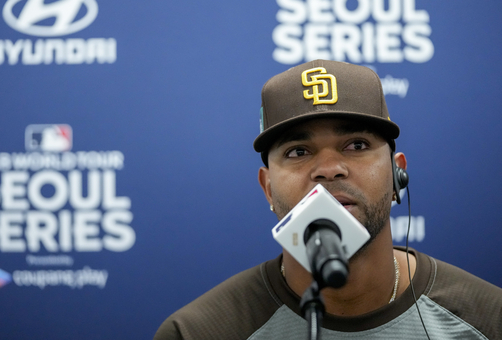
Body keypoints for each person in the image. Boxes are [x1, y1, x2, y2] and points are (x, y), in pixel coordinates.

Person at [154, 60, 502, 339]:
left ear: (398, 175)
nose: (329, 169)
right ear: (268, 188)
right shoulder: (196, 332)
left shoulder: (490, 320)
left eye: (356, 145)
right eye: (299, 151)